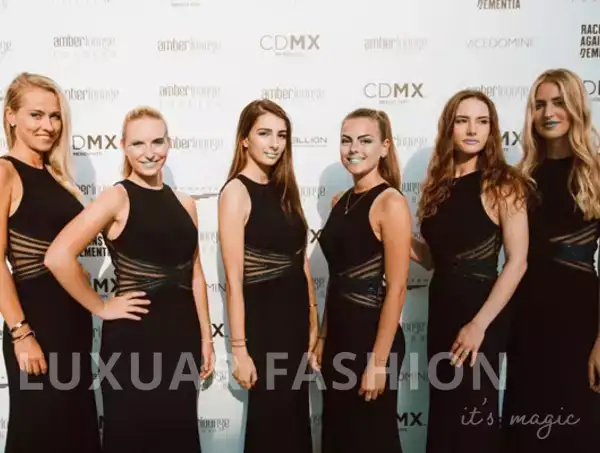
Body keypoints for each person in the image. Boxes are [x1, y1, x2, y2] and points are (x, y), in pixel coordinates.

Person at [44, 106, 215, 452]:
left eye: (157, 142)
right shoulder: (117, 197)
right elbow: (57, 256)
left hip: (180, 338)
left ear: (169, 143)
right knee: (132, 436)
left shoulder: (185, 203)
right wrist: (101, 306)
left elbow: (195, 274)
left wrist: (206, 337)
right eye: (138, 143)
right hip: (133, 341)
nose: (149, 152)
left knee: (179, 436)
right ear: (123, 146)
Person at [411, 90, 529, 453]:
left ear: (492, 129)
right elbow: (433, 259)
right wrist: (393, 232)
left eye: (482, 121)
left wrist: (479, 325)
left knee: (473, 417)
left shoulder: (503, 183)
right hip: (442, 309)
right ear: (450, 127)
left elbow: (518, 261)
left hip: (481, 314)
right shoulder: (438, 186)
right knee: (445, 415)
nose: (472, 129)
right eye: (463, 121)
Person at [0, 72, 101, 452]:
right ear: (11, 116)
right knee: (39, 433)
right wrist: (21, 334)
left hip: (72, 326)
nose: (48, 125)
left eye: (55, 116)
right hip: (36, 328)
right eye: (36, 115)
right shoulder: (5, 172)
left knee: (75, 433)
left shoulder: (57, 177)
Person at [501, 68, 600, 453]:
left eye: (558, 102)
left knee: (578, 427)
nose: (548, 113)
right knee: (528, 431)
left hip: (579, 321)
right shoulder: (520, 179)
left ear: (576, 107)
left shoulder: (595, 173)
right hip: (526, 321)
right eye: (540, 104)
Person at [218, 99, 317, 453]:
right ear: (245, 139)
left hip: (295, 325)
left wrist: (313, 321)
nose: (274, 143)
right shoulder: (236, 191)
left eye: (282, 135)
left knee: (294, 421)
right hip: (265, 328)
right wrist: (239, 350)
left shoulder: (285, 189)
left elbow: (300, 261)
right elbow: (234, 281)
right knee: (272, 425)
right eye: (264, 133)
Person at [311, 108, 410, 453]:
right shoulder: (340, 201)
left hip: (372, 340)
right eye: (346, 140)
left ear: (384, 147)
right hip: (339, 338)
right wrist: (323, 335)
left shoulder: (390, 202)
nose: (354, 149)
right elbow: (337, 278)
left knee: (371, 439)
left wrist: (378, 362)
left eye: (365, 141)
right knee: (339, 439)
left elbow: (397, 288)